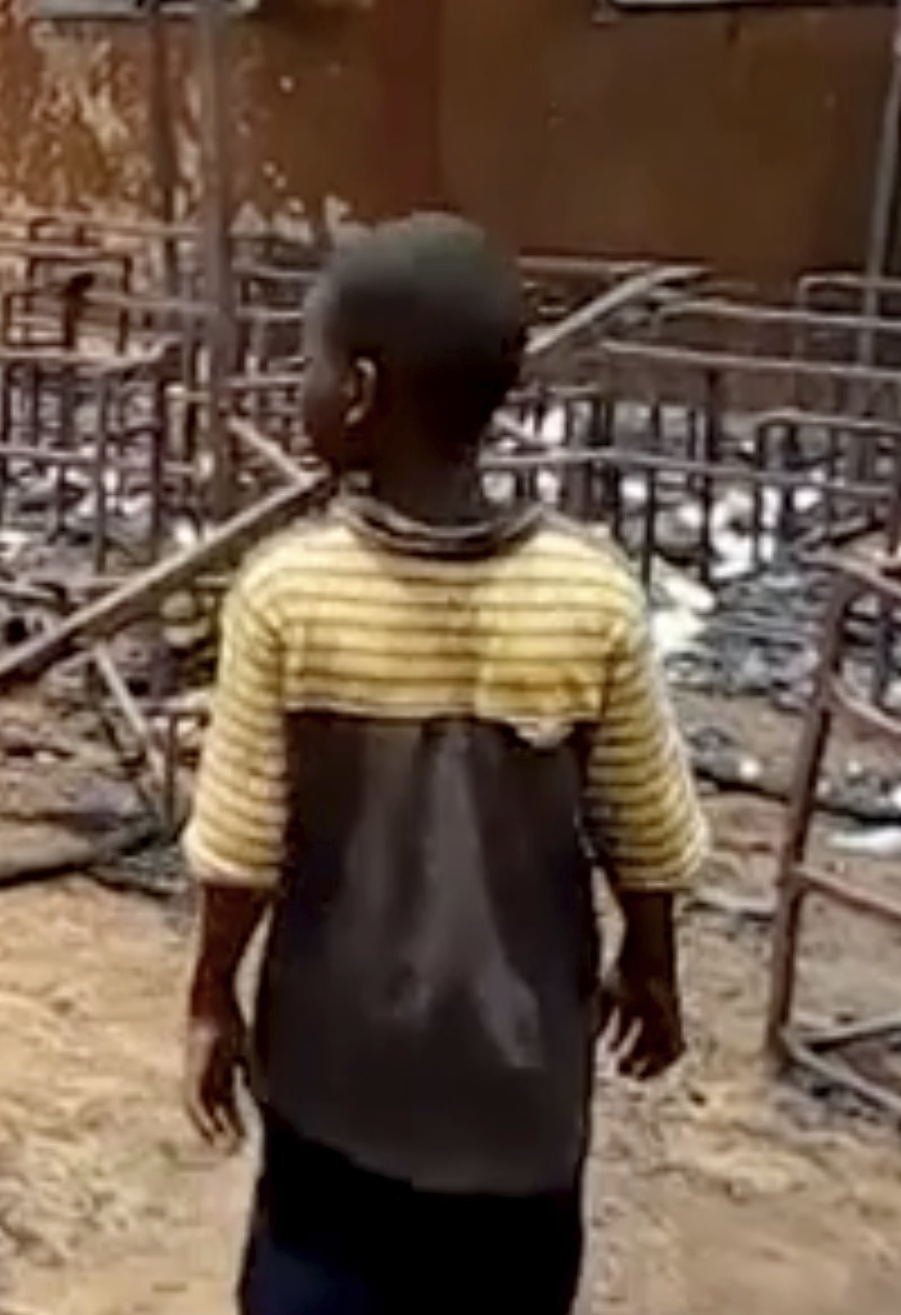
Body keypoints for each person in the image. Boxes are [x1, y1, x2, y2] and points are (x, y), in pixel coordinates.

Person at [181, 213, 709, 1315]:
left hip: (335, 1085)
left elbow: (238, 847)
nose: (301, 386)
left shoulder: (289, 594)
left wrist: (210, 998)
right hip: (523, 1099)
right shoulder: (589, 591)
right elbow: (646, 827)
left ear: (360, 392)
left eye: (311, 363)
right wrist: (651, 967)